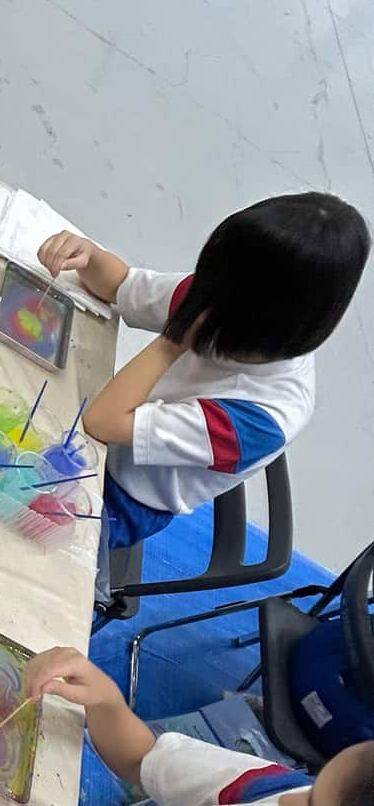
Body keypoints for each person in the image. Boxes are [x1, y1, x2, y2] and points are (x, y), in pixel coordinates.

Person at [37, 194, 370, 601]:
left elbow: (102, 423)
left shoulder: (260, 419)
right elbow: (121, 286)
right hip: (102, 433)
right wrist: (89, 256)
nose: (200, 290)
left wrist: (171, 341)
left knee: (28, 557)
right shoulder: (226, 293)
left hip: (121, 497)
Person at [25, 647, 374, 805]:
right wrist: (105, 699)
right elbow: (140, 758)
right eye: (310, 793)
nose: (291, 802)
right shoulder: (261, 785)